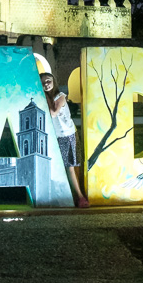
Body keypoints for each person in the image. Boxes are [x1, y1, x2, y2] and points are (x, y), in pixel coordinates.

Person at [42, 71, 88, 207]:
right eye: (43, 82)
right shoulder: (49, 97)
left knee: (73, 166)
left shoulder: (60, 96)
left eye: (48, 80)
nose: (46, 84)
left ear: (54, 81)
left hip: (68, 134)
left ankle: (80, 197)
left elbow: (54, 113)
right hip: (60, 135)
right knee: (71, 167)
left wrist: (46, 97)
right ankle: (78, 196)